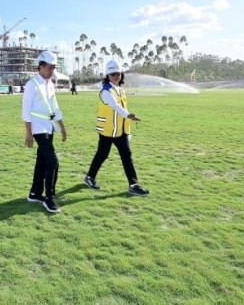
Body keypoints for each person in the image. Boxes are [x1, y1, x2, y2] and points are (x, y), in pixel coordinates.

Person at [83, 60, 150, 196]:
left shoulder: (121, 90)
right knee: (102, 155)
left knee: (127, 156)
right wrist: (128, 115)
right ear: (107, 75)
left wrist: (128, 127)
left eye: (118, 73)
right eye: (113, 74)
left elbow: (122, 107)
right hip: (108, 130)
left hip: (121, 131)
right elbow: (115, 106)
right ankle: (89, 177)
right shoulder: (106, 91)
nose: (116, 76)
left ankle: (134, 185)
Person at [22, 51, 67, 213]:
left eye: (54, 67)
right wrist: (29, 133)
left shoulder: (50, 83)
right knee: (53, 161)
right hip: (37, 128)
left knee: (42, 161)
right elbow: (26, 111)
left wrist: (62, 126)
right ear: (40, 67)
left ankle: (34, 193)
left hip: (49, 126)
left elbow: (55, 107)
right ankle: (49, 197)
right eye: (50, 67)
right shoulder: (31, 84)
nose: (52, 71)